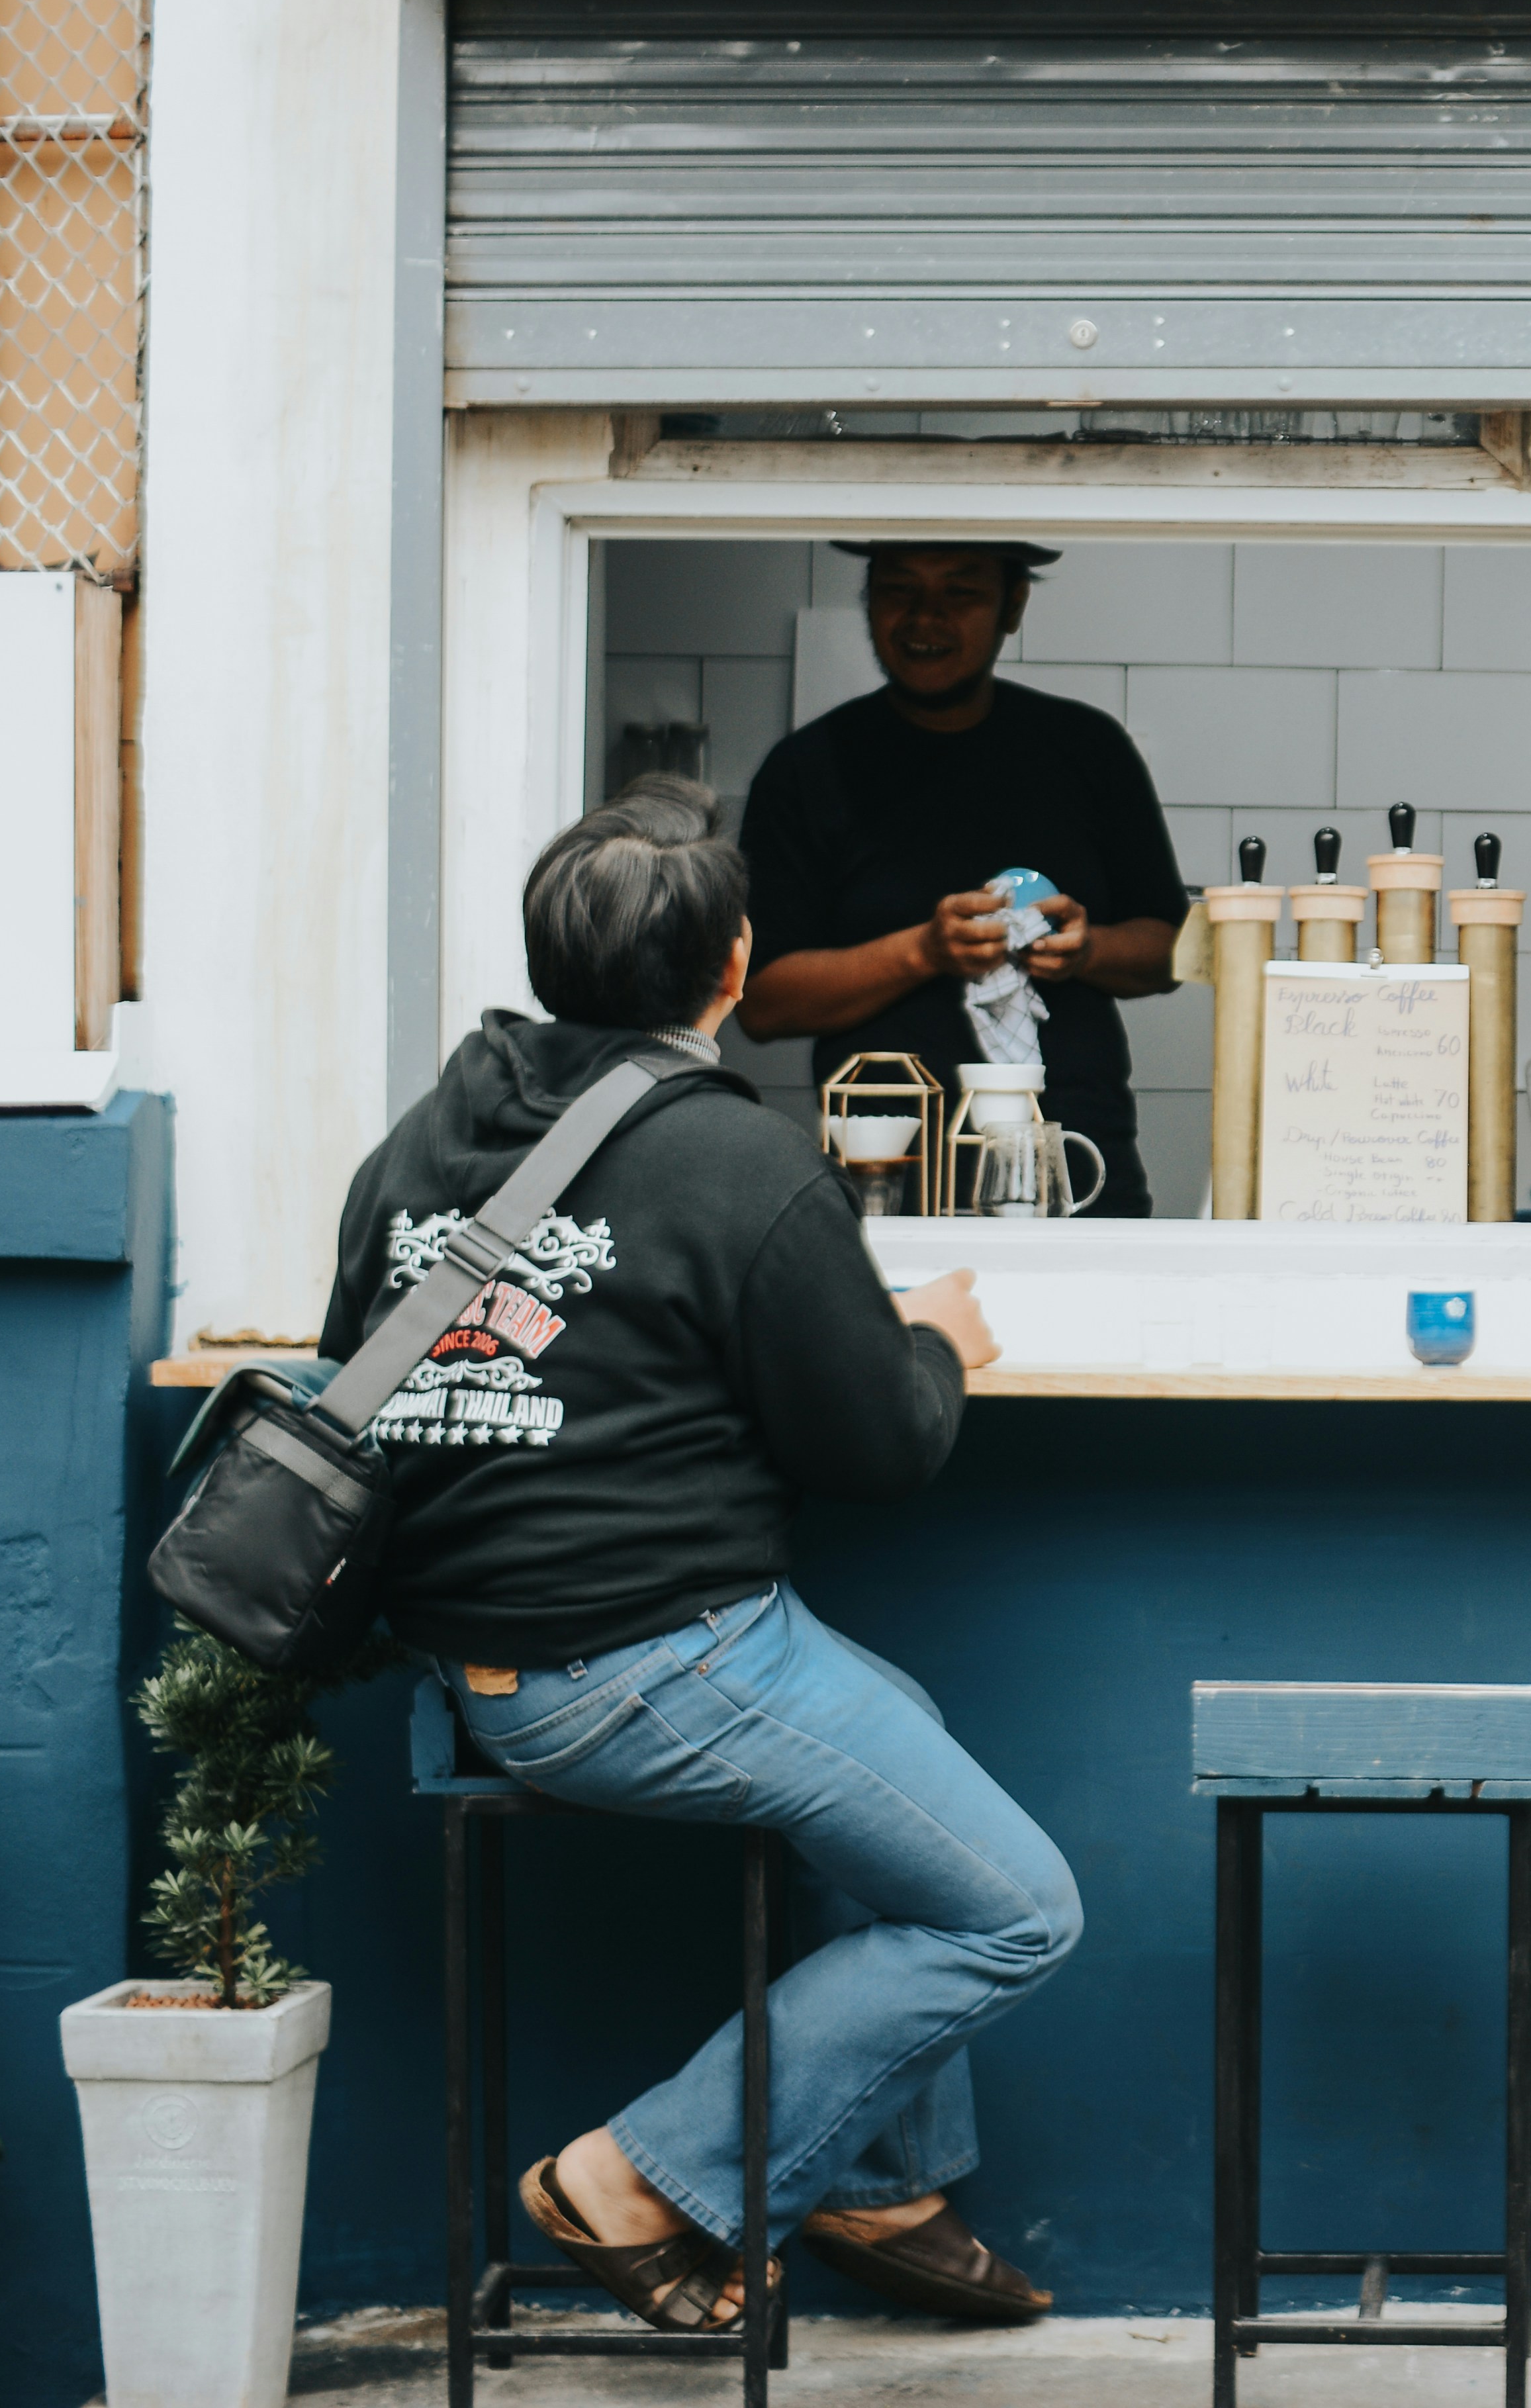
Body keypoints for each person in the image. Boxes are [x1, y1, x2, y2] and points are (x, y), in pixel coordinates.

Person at [320, 776, 1076, 2329]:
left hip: (472, 1660)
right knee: (1013, 1907)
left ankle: (884, 2183)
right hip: (649, 1661)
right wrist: (930, 1339)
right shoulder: (741, 1167)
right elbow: (878, 1449)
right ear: (736, 968)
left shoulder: (418, 1143)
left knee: (897, 1740)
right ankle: (639, 2169)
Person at [737, 539, 1190, 1213]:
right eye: (899, 590)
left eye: (961, 592)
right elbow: (763, 1002)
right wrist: (923, 951)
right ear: (868, 601)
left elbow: (1171, 950)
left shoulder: (1087, 750)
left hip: (1077, 1171)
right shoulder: (809, 769)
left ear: (1014, 604)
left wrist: (1089, 950)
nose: (926, 618)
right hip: (886, 1188)